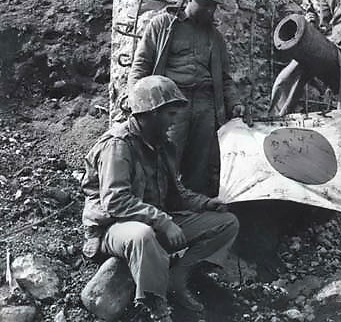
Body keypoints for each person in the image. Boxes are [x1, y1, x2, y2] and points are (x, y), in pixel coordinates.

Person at [81, 76, 240, 321]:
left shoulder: (161, 145)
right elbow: (115, 201)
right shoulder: (118, 145)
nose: (174, 120)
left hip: (153, 221)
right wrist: (163, 221)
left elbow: (176, 193)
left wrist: (206, 204)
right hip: (113, 228)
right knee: (141, 235)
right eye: (170, 114)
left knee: (226, 223)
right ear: (151, 114)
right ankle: (156, 304)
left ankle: (178, 279)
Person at [128, 0, 244, 197]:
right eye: (207, 4)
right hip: (170, 104)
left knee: (200, 163)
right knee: (166, 158)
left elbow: (224, 79)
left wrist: (234, 103)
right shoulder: (162, 25)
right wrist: (135, 100)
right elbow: (141, 64)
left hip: (205, 104)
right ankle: (161, 207)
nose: (211, 10)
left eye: (214, 5)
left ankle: (193, 211)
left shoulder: (215, 37)